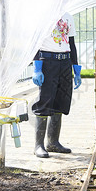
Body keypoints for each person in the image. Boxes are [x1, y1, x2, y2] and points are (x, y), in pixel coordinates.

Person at [31, 12, 82, 158]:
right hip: (48, 61)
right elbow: (35, 42)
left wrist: (75, 68)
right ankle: (38, 145)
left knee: (61, 100)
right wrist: (37, 68)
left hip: (65, 61)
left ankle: (53, 142)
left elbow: (71, 43)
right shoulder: (45, 13)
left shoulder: (68, 16)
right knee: (45, 101)